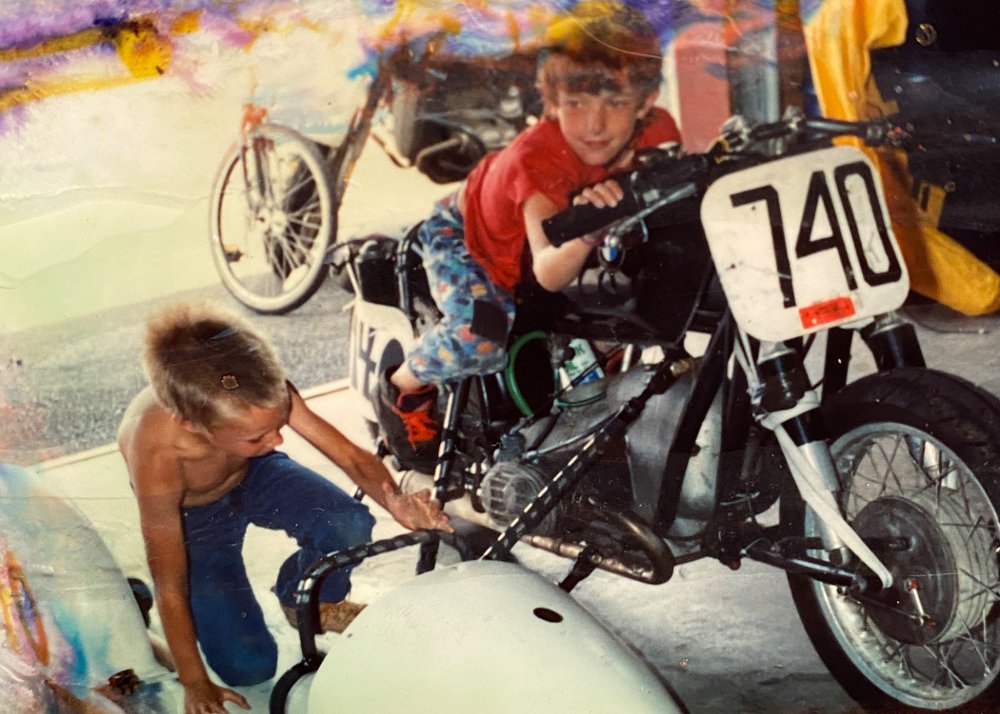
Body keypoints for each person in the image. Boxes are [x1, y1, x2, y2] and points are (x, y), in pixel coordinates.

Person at [374, 0, 681, 470]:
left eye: (615, 103)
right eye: (576, 104)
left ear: (645, 101)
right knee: (479, 334)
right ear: (551, 98)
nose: (595, 125)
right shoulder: (537, 157)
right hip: (466, 237)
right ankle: (404, 386)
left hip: (550, 242)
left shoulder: (659, 130)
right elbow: (550, 269)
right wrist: (585, 233)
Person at [117, 302, 452, 714]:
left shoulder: (255, 391)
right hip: (195, 522)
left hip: (256, 475)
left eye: (280, 425)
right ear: (190, 425)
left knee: (346, 521)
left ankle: (302, 599)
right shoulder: (156, 453)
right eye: (259, 435)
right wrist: (193, 680)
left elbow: (349, 455)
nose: (278, 440)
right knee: (250, 668)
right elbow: (170, 581)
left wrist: (396, 502)